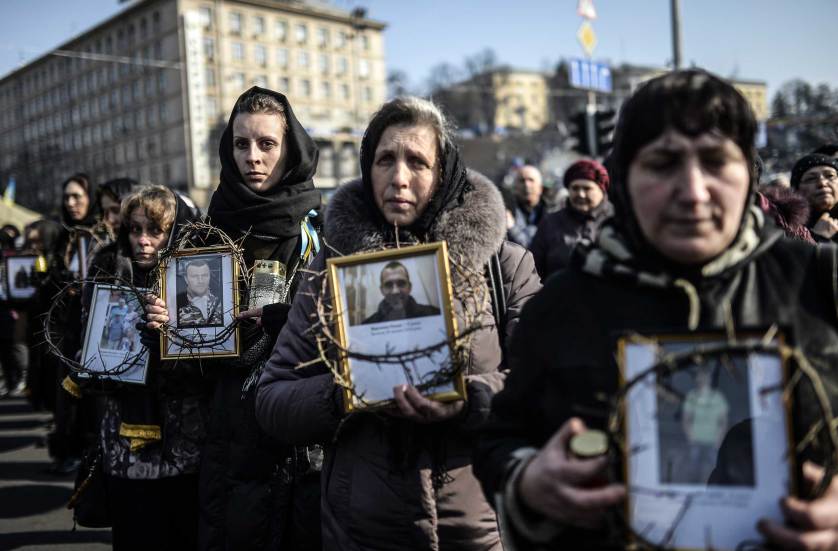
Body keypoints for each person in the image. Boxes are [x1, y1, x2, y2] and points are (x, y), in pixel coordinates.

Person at [474, 69, 838, 550]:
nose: (692, 190)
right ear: (624, 178)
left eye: (715, 161)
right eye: (663, 164)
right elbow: (501, 436)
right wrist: (527, 481)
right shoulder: (563, 304)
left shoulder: (820, 280)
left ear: (748, 172)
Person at [255, 96, 541, 551]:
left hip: (477, 527)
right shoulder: (329, 270)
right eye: (386, 159)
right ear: (368, 169)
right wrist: (346, 395)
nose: (399, 178)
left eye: (418, 161)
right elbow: (272, 399)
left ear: (443, 171)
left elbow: (542, 386)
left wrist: (466, 400)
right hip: (361, 529)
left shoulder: (503, 266)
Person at [144, 86, 323, 551]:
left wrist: (286, 320)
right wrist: (165, 333)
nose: (253, 157)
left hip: (302, 449)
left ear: (292, 149)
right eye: (241, 144)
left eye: (267, 144)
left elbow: (337, 343)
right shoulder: (205, 234)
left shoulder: (322, 234)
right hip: (227, 446)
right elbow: (186, 374)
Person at [80, 185, 204, 550]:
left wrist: (170, 341)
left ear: (175, 232)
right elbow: (90, 355)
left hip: (183, 446)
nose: (144, 241)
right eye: (135, 230)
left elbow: (210, 363)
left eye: (155, 231)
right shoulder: (105, 274)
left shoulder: (196, 280)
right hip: (124, 449)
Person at [529, 159, 613, 280]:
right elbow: (533, 271)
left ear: (601, 190)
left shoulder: (617, 219)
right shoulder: (550, 223)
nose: (581, 194)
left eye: (587, 188)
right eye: (575, 188)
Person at [362, 261, 440, 324]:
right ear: (382, 290)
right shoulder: (368, 325)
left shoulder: (435, 315)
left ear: (409, 287)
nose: (395, 291)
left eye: (401, 283)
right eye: (388, 285)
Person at [790, 153, 838, 243]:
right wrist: (818, 238)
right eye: (811, 179)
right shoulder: (788, 228)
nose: (822, 183)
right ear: (797, 190)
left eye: (830, 176)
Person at [507, 165, 546, 248]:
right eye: (522, 180)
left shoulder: (551, 215)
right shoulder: (505, 210)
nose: (526, 184)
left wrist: (512, 229)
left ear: (540, 188)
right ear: (515, 187)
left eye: (531, 180)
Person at [176, 259, 222, 327]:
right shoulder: (175, 306)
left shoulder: (222, 303)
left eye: (204, 275)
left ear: (209, 277)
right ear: (186, 279)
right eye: (194, 276)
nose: (200, 281)